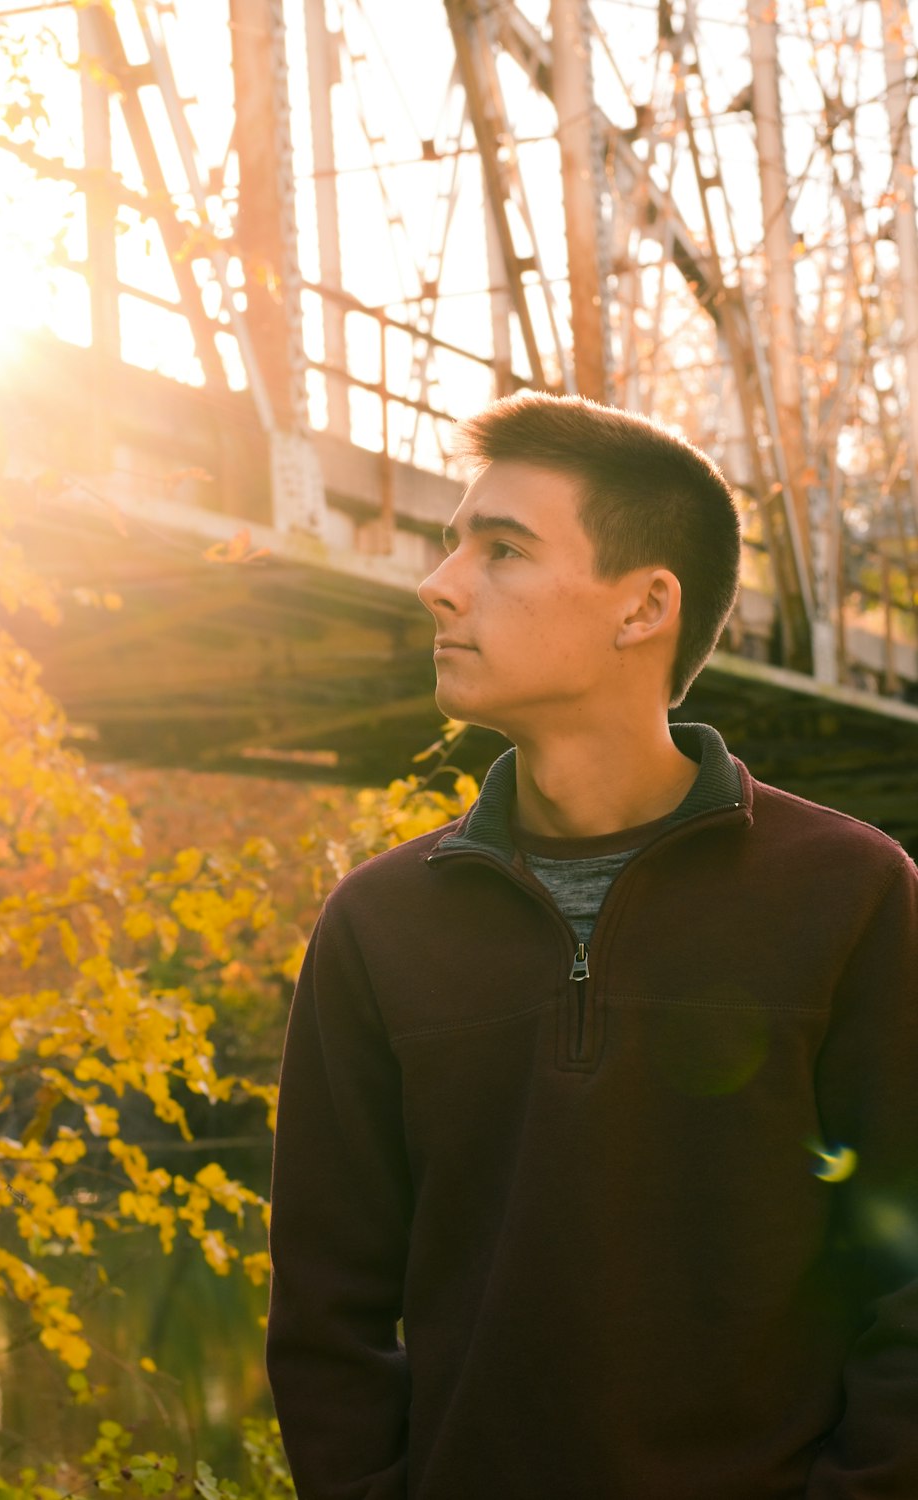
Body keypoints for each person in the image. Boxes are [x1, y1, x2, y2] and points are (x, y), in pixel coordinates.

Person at [266, 393, 918, 1499]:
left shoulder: (851, 894)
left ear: (642, 608)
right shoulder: (376, 924)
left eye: (504, 548)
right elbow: (326, 1314)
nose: (440, 581)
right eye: (452, 542)